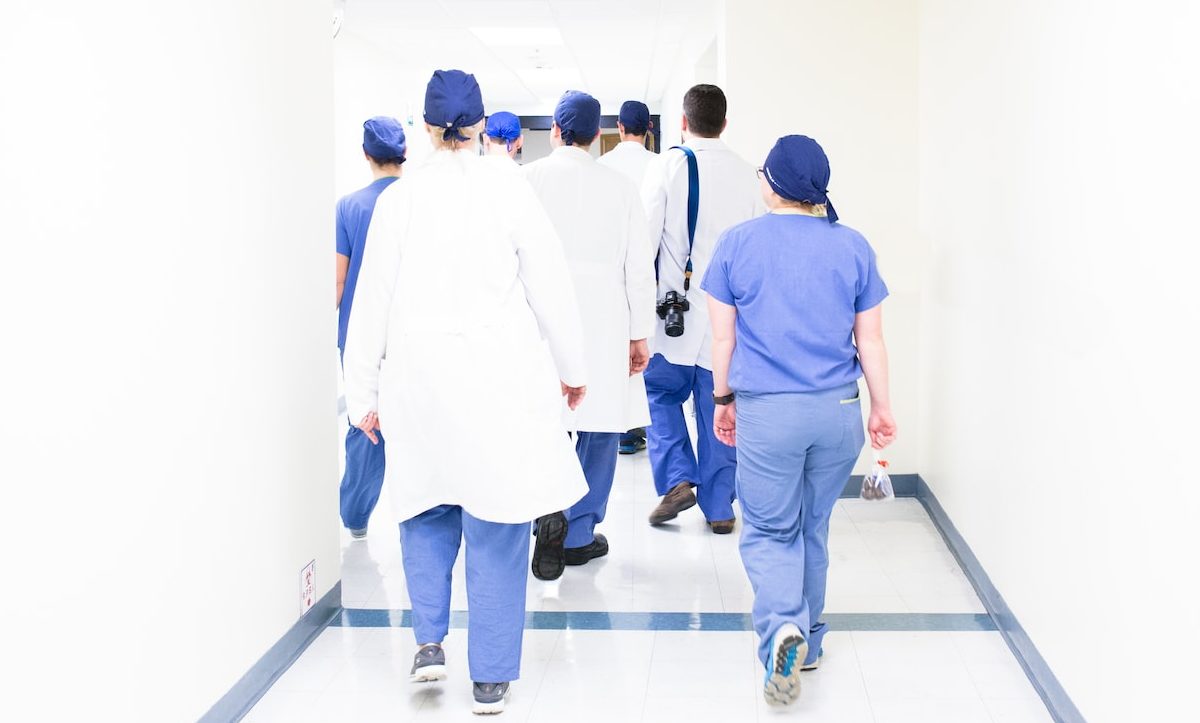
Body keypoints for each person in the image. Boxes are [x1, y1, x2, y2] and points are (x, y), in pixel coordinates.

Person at [342, 69, 589, 715]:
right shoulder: (509, 189)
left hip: (418, 383)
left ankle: (428, 645)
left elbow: (371, 302)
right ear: (480, 126)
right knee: (498, 524)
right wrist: (573, 366)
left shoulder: (399, 199)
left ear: (425, 128)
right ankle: (490, 678)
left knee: (424, 510)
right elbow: (550, 284)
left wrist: (361, 390)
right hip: (497, 382)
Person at [701, 135, 897, 706]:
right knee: (813, 526)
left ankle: (782, 627)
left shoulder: (737, 244)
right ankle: (808, 642)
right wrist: (882, 408)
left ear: (773, 183)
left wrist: (721, 400)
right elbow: (872, 341)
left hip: (770, 414)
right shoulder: (853, 246)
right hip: (837, 413)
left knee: (768, 530)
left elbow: (722, 338)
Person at [523, 90, 655, 576]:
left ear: (556, 131)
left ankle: (544, 511)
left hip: (540, 317)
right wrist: (640, 334)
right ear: (597, 135)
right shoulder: (620, 187)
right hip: (604, 318)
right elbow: (639, 269)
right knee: (599, 426)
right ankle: (578, 533)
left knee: (543, 420)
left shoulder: (527, 181)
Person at [641, 84, 764, 534]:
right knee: (721, 407)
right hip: (728, 322)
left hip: (673, 317)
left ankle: (678, 478)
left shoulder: (669, 165)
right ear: (725, 123)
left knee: (658, 397)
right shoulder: (750, 174)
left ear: (683, 122)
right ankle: (719, 508)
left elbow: (645, 240)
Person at [335, 116, 406, 540]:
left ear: (366, 155)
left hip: (361, 331)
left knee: (366, 422)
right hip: (410, 330)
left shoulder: (349, 206)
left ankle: (357, 516)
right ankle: (424, 515)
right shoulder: (420, 200)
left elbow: (339, 280)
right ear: (405, 154)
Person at [598, 99, 656, 456]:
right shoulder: (662, 165)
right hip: (649, 270)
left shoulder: (603, 166)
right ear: (648, 127)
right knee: (646, 353)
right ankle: (640, 430)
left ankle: (622, 431)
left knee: (615, 353)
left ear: (619, 127)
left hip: (611, 274)